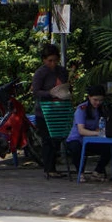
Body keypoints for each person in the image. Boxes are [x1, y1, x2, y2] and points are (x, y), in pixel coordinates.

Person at [32, 43, 69, 178]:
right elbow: (36, 92)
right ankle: (49, 168)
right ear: (44, 60)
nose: (52, 63)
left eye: (55, 60)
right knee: (47, 139)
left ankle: (54, 165)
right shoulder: (41, 73)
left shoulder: (62, 71)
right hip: (45, 112)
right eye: (49, 61)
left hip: (59, 110)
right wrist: (51, 94)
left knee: (57, 139)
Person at [65, 85, 111, 181]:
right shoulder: (81, 109)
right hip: (77, 139)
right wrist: (97, 133)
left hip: (91, 140)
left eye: (101, 100)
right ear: (89, 97)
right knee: (76, 147)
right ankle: (80, 172)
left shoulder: (101, 109)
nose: (98, 103)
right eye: (95, 100)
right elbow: (81, 131)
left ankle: (97, 172)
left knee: (109, 147)